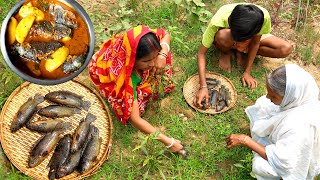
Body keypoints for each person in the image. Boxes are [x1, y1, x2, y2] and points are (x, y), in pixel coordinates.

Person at [88, 25, 187, 158]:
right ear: (131, 59)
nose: (152, 64)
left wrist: (162, 55)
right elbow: (135, 119)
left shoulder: (148, 40)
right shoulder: (128, 78)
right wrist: (169, 142)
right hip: (115, 76)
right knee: (134, 108)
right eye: (146, 61)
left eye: (154, 56)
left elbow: (165, 34)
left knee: (164, 57)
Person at [225, 64, 320, 179]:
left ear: (290, 97)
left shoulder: (297, 126)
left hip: (292, 158)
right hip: (290, 135)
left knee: (260, 166)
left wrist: (245, 140)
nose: (268, 97)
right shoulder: (304, 94)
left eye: (273, 96)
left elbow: (283, 163)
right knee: (262, 104)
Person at [194, 3, 292, 108]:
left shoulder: (263, 18)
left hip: (250, 36)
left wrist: (247, 71)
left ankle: (242, 52)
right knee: (222, 36)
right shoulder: (219, 19)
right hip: (226, 35)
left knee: (285, 49)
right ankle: (225, 52)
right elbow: (201, 53)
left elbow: (255, 43)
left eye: (242, 42)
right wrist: (203, 86)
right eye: (238, 43)